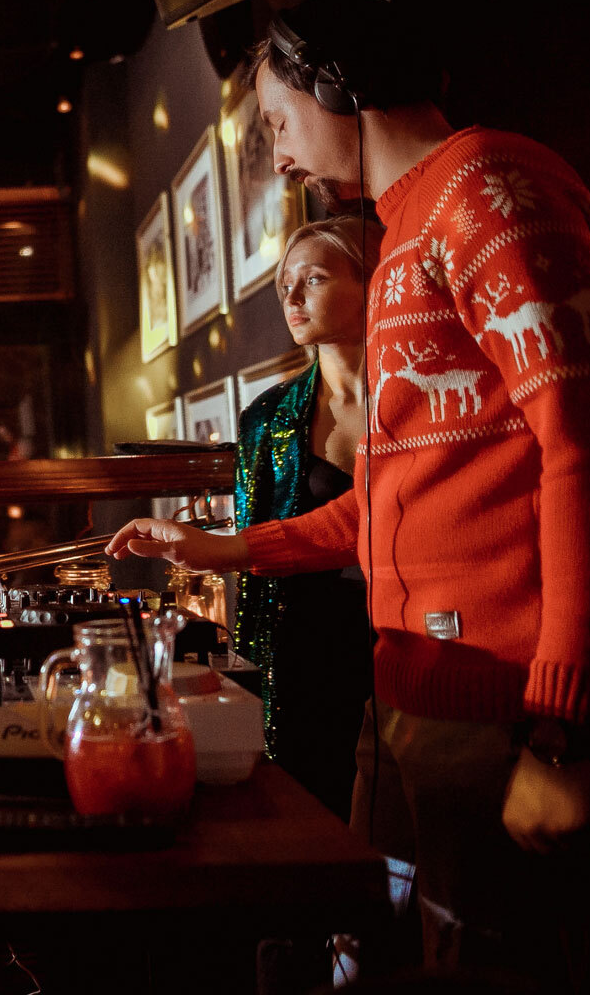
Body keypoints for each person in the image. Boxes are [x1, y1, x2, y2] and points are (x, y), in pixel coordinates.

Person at [108, 0, 590, 986]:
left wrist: (564, 729)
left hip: (509, 713)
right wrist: (222, 549)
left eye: (278, 122)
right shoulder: (406, 227)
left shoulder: (486, 186)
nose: (280, 156)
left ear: (338, 83)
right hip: (420, 701)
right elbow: (386, 503)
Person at [234, 215, 379, 817]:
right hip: (309, 644)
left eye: (314, 279)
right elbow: (253, 555)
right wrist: (252, 684)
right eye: (284, 284)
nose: (291, 297)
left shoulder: (421, 393)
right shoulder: (269, 416)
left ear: (372, 281)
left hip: (414, 629)